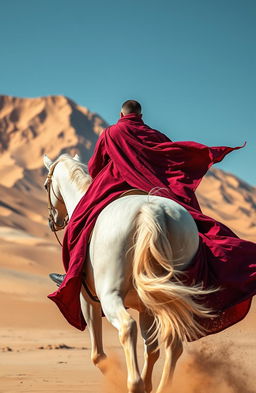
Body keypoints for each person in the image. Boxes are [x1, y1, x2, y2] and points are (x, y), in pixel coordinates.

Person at [48, 100, 256, 337]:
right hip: (153, 189)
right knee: (200, 229)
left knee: (79, 222)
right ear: (141, 115)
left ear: (121, 114)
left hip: (117, 186)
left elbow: (95, 168)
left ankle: (73, 274)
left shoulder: (110, 133)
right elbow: (171, 160)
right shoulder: (155, 134)